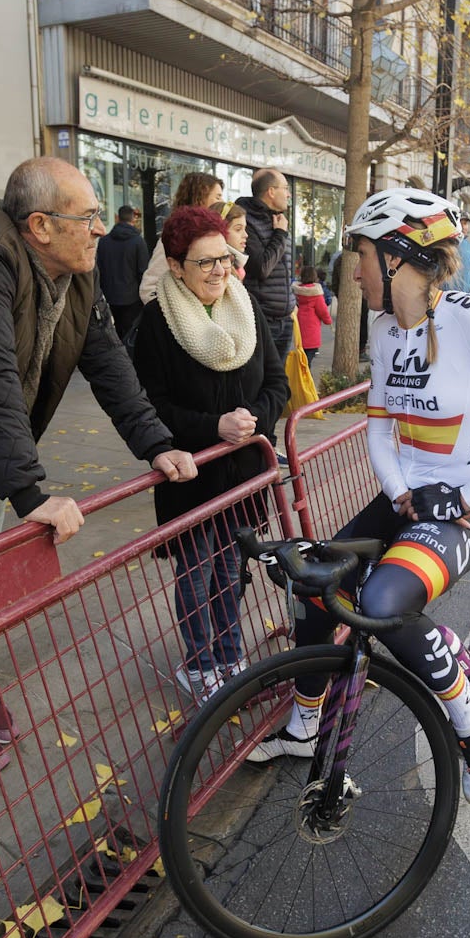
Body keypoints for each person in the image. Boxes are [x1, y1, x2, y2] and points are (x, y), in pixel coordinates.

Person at [0, 157, 199, 772]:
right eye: (90, 217)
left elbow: (107, 364)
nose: (103, 229)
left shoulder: (77, 269)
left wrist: (156, 441)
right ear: (41, 225)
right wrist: (27, 490)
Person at [245, 187, 470, 809]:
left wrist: (464, 492)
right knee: (317, 579)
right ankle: (305, 722)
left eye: (361, 254)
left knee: (382, 597)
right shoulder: (385, 328)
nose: (355, 269)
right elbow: (378, 425)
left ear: (397, 257)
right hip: (409, 501)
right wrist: (398, 492)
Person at [132, 206, 289, 702]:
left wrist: (255, 422)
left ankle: (230, 654)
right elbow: (151, 406)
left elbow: (277, 384)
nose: (221, 270)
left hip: (243, 474)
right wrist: (213, 428)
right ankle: (200, 664)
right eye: (206, 262)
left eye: (224, 258)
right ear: (176, 266)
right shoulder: (157, 322)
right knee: (197, 572)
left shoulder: (246, 306)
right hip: (193, 477)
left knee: (230, 570)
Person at [138, 172, 224, 304]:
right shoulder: (175, 238)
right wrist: (178, 315)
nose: (222, 202)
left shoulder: (217, 236)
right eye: (218, 197)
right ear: (200, 198)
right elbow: (149, 289)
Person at [239, 168, 295, 358]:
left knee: (279, 380)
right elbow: (261, 268)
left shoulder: (279, 219)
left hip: (285, 319)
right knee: (262, 380)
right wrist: (280, 234)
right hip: (263, 320)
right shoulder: (247, 221)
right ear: (271, 191)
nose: (288, 194)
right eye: (285, 188)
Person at [96, 204, 150, 339]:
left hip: (109, 297)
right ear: (132, 219)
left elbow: (99, 269)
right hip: (132, 299)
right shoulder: (138, 242)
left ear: (117, 218)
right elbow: (143, 273)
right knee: (130, 337)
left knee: (112, 336)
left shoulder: (103, 242)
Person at [292, 264, 334, 364]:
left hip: (298, 330)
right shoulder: (316, 293)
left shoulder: (296, 291)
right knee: (307, 361)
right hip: (311, 333)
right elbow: (323, 311)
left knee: (300, 360)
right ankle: (305, 379)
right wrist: (328, 321)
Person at [447, 215, 470, 293]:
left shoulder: (468, 244)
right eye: (460, 223)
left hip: (466, 289)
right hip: (450, 289)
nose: (463, 227)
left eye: (465, 224)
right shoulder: (449, 243)